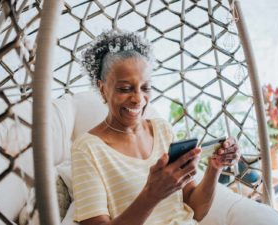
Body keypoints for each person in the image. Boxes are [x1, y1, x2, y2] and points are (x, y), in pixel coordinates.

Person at [71, 30, 240, 225]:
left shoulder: (162, 130)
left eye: (145, 88)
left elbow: (197, 210)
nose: (137, 99)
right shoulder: (87, 149)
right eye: (125, 89)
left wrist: (214, 168)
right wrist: (152, 194)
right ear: (103, 89)